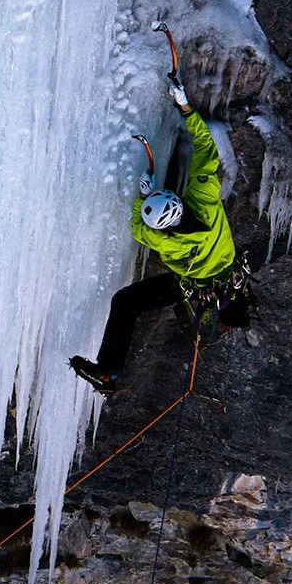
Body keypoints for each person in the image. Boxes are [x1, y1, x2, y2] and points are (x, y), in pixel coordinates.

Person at [70, 74, 250, 396]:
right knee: (128, 303)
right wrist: (185, 107)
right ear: (180, 202)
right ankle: (228, 312)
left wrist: (143, 196)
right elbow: (207, 150)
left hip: (191, 286)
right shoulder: (204, 199)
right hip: (213, 280)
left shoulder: (160, 239)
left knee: (126, 303)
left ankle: (110, 373)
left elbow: (139, 229)